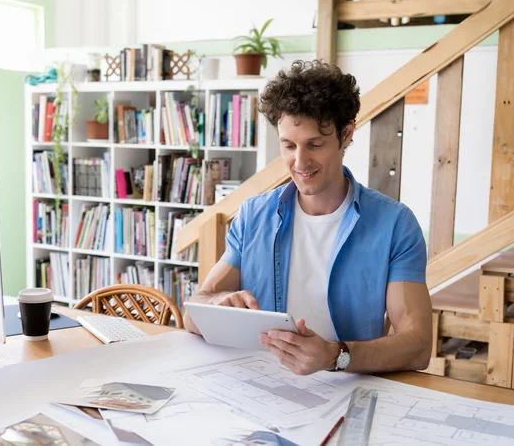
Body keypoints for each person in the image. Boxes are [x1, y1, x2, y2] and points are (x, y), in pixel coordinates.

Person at [184, 60, 432, 375]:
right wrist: (216, 303)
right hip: (257, 386)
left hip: (347, 391)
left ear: (346, 134)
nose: (300, 162)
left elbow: (418, 345)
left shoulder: (395, 225)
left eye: (315, 144)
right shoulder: (252, 215)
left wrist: (336, 356)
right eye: (288, 145)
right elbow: (193, 312)